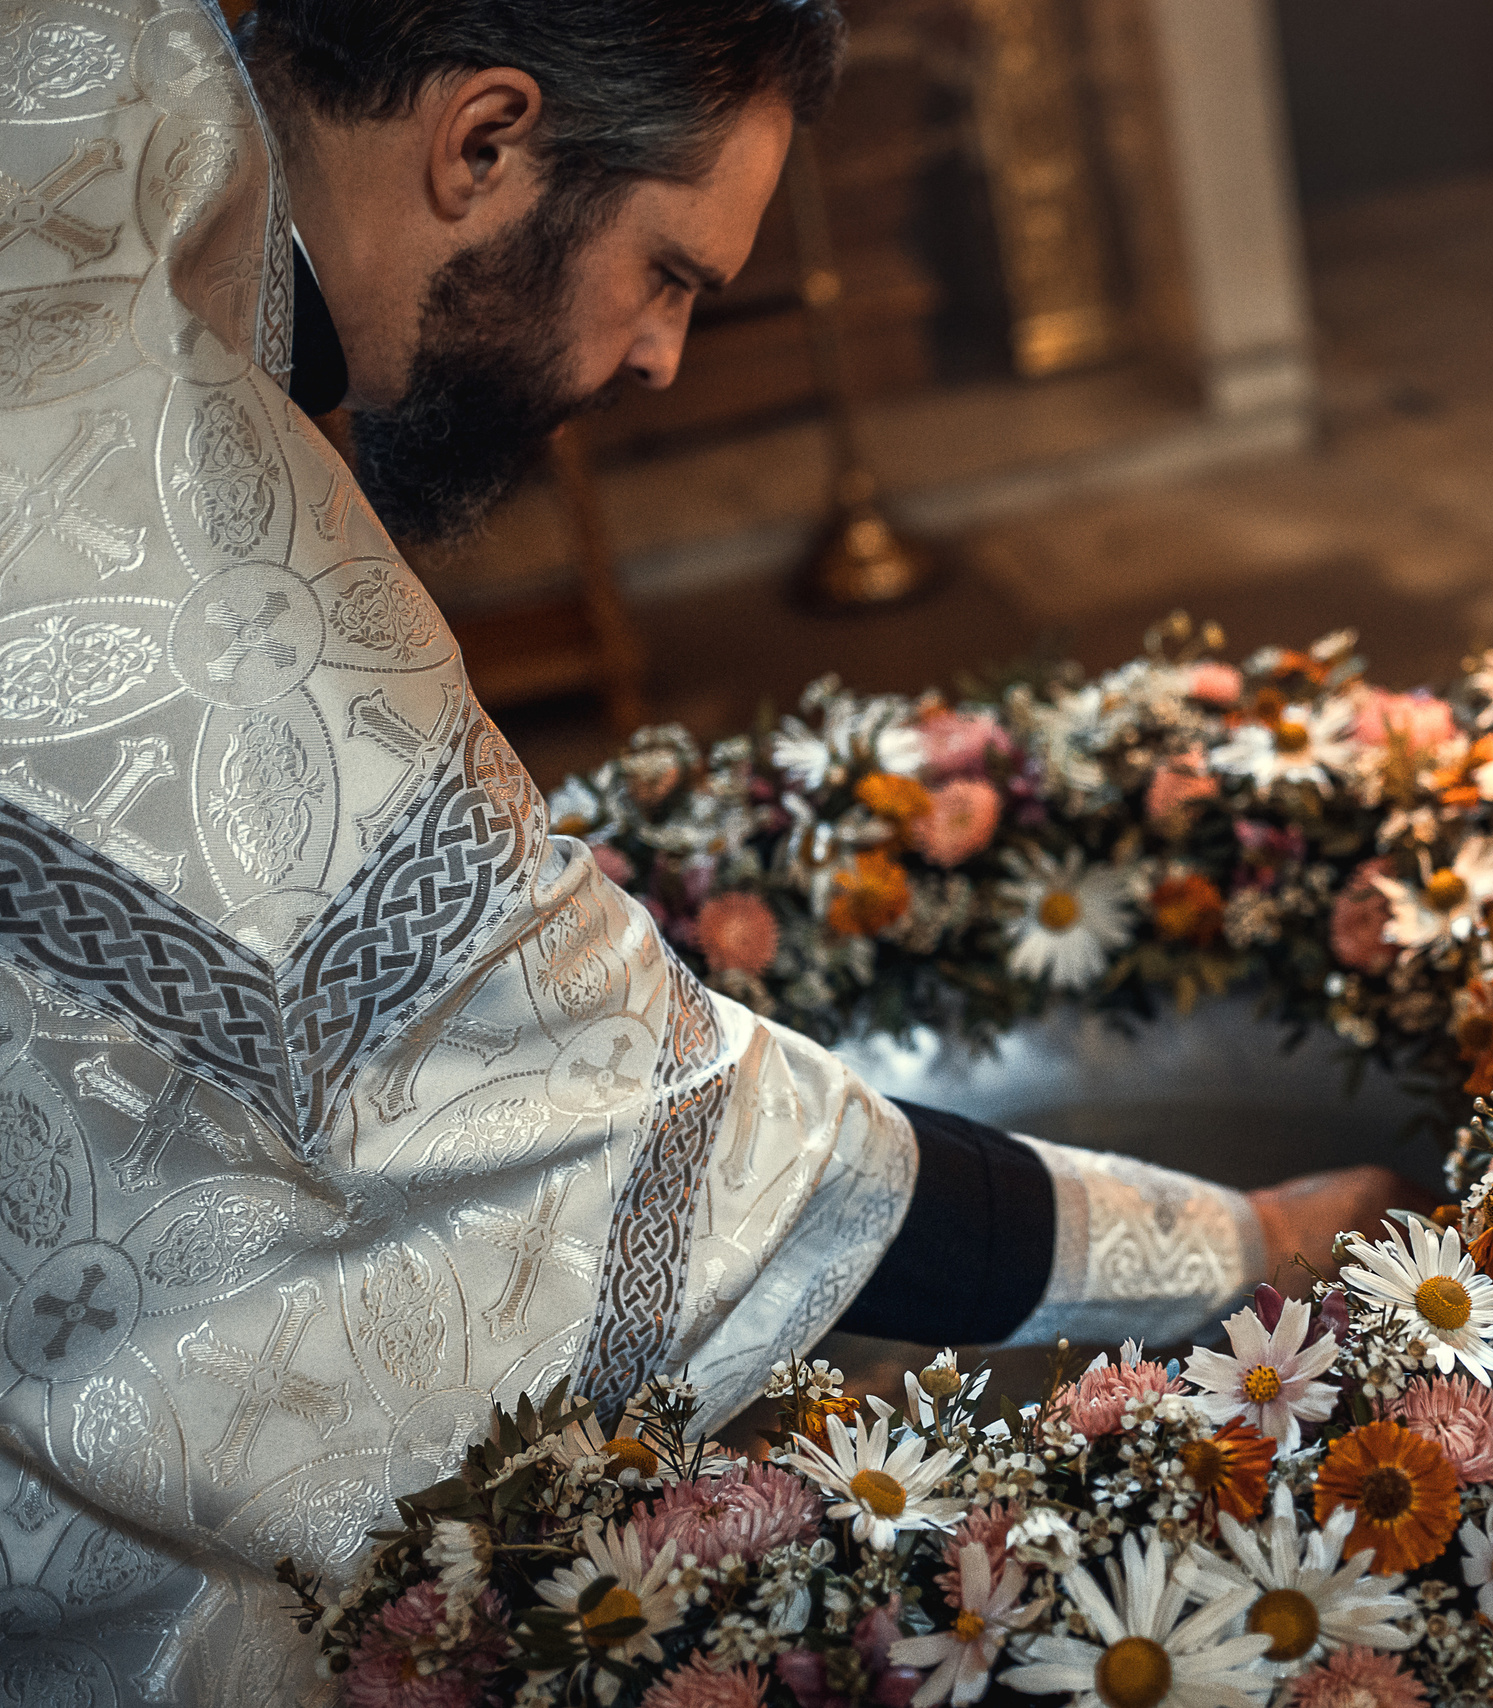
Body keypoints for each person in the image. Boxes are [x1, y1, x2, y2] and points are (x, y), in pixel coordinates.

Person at [0, 1, 1408, 1695]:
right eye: (668, 272)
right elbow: (666, 1130)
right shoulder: (199, 572)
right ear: (484, 141)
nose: (664, 353)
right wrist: (1236, 1249)